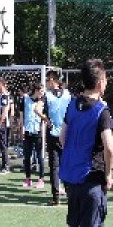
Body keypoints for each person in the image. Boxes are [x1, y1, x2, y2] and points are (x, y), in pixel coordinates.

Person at [55, 59, 113, 227]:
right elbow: (110, 148)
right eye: (106, 79)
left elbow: (62, 138)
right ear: (100, 83)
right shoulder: (102, 111)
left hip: (70, 177)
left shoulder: (72, 104)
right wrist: (109, 173)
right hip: (91, 177)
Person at [45, 71, 71, 206]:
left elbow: (38, 109)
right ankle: (69, 194)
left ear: (52, 80)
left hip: (54, 134)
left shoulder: (47, 96)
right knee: (66, 165)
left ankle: (56, 198)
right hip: (67, 133)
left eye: (47, 80)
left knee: (54, 167)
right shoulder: (68, 94)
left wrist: (46, 119)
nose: (46, 83)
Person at [21, 83, 46, 189]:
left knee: (40, 156)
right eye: (41, 91)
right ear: (36, 90)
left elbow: (45, 115)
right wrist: (22, 127)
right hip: (28, 131)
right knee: (27, 156)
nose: (42, 93)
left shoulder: (43, 101)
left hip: (38, 131)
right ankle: (28, 178)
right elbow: (22, 114)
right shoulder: (25, 99)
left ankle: (41, 179)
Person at [0, 77, 13, 175]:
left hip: (3, 122)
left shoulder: (5, 95)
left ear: (2, 83)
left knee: (3, 143)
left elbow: (5, 110)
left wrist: (1, 122)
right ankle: (4, 164)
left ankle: (6, 166)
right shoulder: (0, 95)